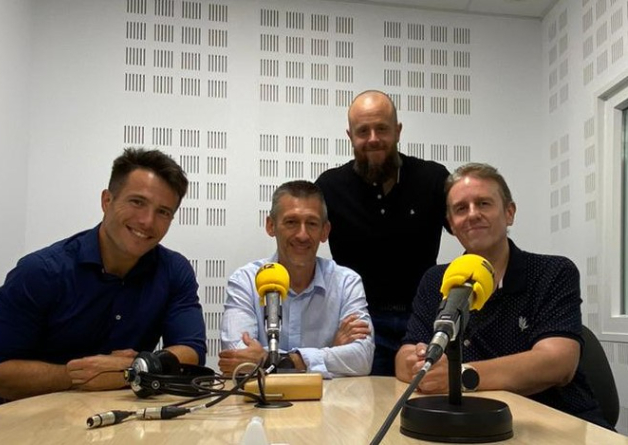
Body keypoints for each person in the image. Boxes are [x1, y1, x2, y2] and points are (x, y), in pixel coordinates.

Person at [0, 148, 207, 404]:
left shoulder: (174, 270)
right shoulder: (41, 271)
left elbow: (191, 351)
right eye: (137, 202)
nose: (148, 221)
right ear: (107, 201)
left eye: (163, 212)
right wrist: (78, 375)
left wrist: (136, 368)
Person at [395, 162, 611, 429]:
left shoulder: (552, 272)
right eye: (461, 209)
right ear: (451, 224)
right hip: (471, 425)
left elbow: (558, 362)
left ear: (509, 213)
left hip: (556, 422)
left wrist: (460, 376)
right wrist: (416, 363)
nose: (472, 214)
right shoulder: (436, 280)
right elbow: (404, 356)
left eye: (484, 204)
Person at [315, 90, 449, 376]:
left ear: (398, 131)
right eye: (363, 131)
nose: (373, 138)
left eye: (382, 128)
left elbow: (470, 231)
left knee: (424, 402)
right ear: (350, 136)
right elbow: (301, 249)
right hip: (361, 322)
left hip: (424, 320)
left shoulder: (433, 178)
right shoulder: (330, 187)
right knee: (361, 407)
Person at [219, 180, 374, 378]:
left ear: (325, 231)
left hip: (327, 404)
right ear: (270, 226)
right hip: (260, 402)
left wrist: (273, 360)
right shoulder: (246, 281)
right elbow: (237, 357)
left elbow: (362, 358)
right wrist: (329, 353)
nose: (302, 235)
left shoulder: (346, 283)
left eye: (311, 223)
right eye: (291, 222)